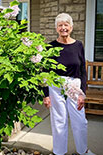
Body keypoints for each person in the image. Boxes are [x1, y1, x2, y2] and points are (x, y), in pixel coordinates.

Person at [43, 13, 95, 155]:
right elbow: (45, 72)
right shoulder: (50, 47)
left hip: (74, 85)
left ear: (71, 27)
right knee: (59, 121)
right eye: (60, 25)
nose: (63, 28)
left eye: (66, 25)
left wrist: (82, 93)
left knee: (80, 121)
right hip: (55, 85)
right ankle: (59, 152)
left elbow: (82, 71)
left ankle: (83, 151)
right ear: (56, 28)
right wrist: (46, 95)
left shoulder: (78, 45)